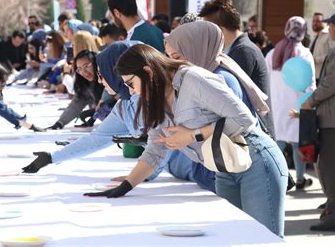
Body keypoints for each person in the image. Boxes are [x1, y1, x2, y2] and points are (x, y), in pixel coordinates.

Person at [113, 44, 287, 237]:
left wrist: (193, 135)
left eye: (130, 83)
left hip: (255, 160)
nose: (131, 91)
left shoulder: (192, 79)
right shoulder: (156, 97)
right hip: (222, 166)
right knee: (231, 238)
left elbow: (243, 119)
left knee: (263, 239)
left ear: (147, 71)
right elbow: (156, 148)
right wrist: (126, 185)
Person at [22, 42, 215, 193]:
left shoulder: (159, 94)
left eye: (102, 74)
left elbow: (166, 141)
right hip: (179, 176)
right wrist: (52, 158)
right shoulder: (125, 106)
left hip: (203, 170)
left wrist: (139, 177)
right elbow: (97, 139)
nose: (99, 80)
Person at [199, 0, 275, 140]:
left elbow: (230, 99)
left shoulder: (243, 51)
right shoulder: (237, 48)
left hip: (255, 140)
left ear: (219, 30)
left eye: (207, 31)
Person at [265, 16, 316, 190]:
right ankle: (300, 179)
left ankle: (278, 178)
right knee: (297, 143)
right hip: (298, 104)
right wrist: (310, 105)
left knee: (278, 141)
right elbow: (310, 83)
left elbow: (265, 79)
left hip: (276, 105)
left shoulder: (273, 53)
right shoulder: (305, 53)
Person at [301, 13, 335, 231]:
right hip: (328, 118)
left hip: (332, 121)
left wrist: (310, 100)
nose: (330, 28)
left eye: (332, 24)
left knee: (329, 168)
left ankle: (333, 215)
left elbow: (331, 84)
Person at [43, 50, 105, 130]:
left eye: (86, 66)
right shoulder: (86, 85)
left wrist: (96, 112)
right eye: (79, 69)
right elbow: (75, 106)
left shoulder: (108, 80)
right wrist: (60, 123)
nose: (84, 72)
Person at [310, 12, 335, 82]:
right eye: (313, 21)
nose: (315, 23)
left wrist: (315, 59)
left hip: (323, 77)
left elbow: (332, 54)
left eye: (318, 21)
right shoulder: (315, 36)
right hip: (313, 75)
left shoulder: (329, 35)